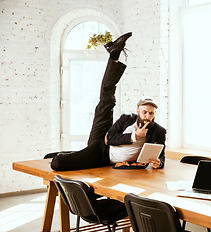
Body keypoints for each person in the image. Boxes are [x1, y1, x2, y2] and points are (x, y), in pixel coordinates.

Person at [50, 32, 166, 171]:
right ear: (138, 111)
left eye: (151, 113)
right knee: (106, 101)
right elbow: (109, 138)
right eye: (144, 112)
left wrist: (159, 162)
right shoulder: (126, 118)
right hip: (101, 150)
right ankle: (114, 52)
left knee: (105, 102)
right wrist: (135, 136)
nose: (147, 116)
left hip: (103, 156)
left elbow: (161, 155)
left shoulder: (158, 131)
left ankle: (113, 52)